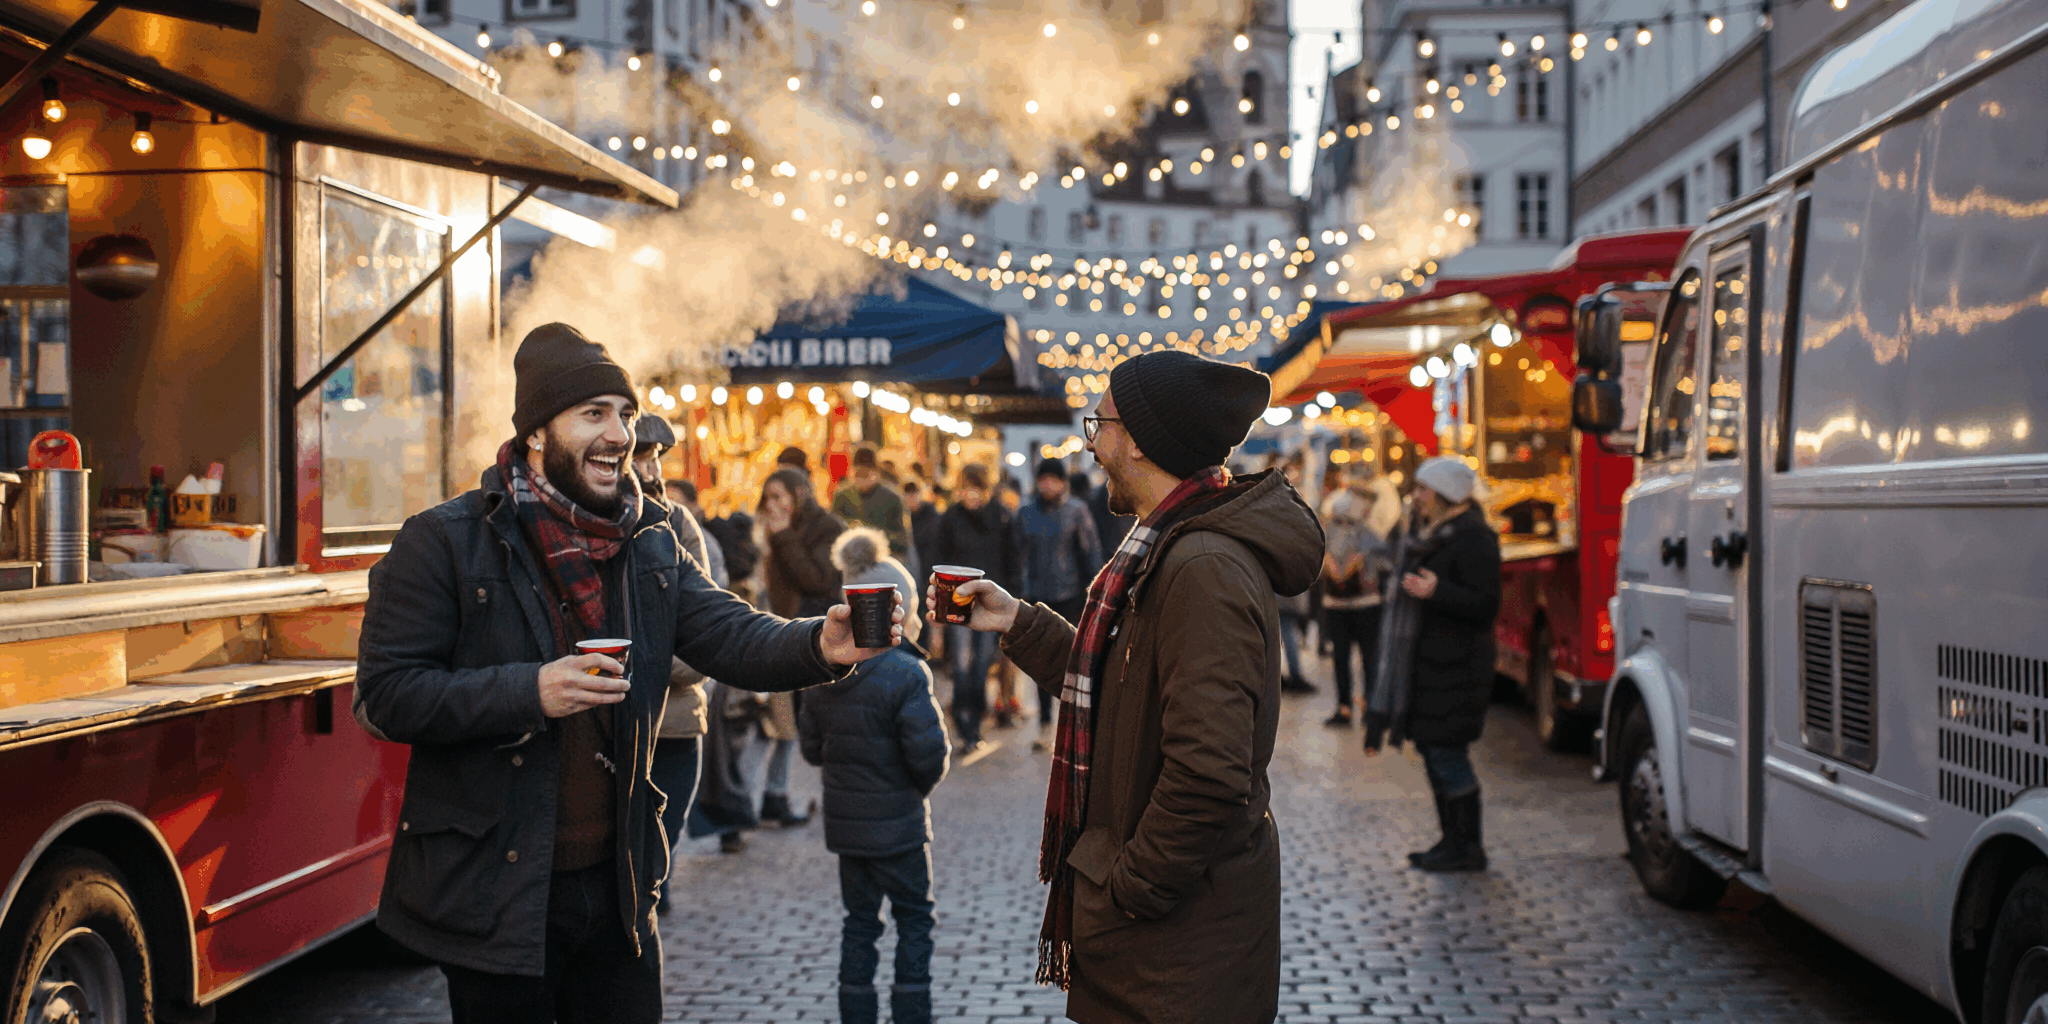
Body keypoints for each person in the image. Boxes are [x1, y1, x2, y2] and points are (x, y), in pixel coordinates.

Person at [354, 323, 898, 1024]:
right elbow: (389, 694)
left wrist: (818, 645)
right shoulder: (445, 541)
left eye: (626, 414)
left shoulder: (647, 538)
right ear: (537, 433)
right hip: (498, 892)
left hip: (617, 888)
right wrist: (532, 690)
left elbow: (728, 633)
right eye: (595, 414)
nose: (620, 436)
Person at [937, 350, 1318, 1024]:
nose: (1093, 447)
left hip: (1176, 952)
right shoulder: (1169, 546)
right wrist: (1020, 621)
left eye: (1100, 426)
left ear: (1138, 439)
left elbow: (1209, 775)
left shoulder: (1201, 565)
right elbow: (1122, 687)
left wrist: (1128, 888)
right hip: (1163, 950)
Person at [803, 530, 947, 1024]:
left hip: (848, 831)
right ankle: (912, 1010)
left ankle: (856, 1011)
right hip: (900, 828)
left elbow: (809, 748)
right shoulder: (907, 674)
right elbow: (930, 755)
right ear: (900, 616)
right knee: (915, 920)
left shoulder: (825, 672)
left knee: (859, 923)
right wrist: (912, 792)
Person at [1364, 456, 1502, 873]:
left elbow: (1486, 605)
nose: (1417, 498)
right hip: (1429, 669)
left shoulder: (1474, 538)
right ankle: (1450, 842)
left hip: (1457, 669)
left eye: (1424, 490)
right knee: (1433, 753)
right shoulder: (1433, 535)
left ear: (1444, 494)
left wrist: (1437, 590)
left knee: (1448, 756)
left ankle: (1468, 848)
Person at [628, 416, 718, 908]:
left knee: (656, 872)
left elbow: (697, 644)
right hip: (614, 731)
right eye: (639, 457)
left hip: (676, 729)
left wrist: (639, 660)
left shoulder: (678, 524)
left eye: (655, 458)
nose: (649, 470)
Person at [757, 466, 844, 827]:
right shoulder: (768, 530)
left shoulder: (827, 528)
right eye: (768, 499)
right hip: (776, 631)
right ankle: (772, 796)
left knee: (820, 719)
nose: (773, 505)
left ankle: (835, 793)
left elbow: (818, 580)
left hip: (816, 637)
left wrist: (782, 538)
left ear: (799, 495)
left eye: (780, 497)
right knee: (782, 721)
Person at [1010, 459, 1104, 727]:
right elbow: (1016, 555)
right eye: (1044, 479)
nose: (1049, 484)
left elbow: (1090, 554)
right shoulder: (1026, 513)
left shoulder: (1077, 511)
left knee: (1073, 659)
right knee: (1041, 659)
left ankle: (1072, 719)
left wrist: (1093, 593)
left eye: (1054, 479)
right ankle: (1045, 718)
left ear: (1063, 482)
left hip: (1071, 595)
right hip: (1036, 595)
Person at [929, 463, 1014, 752]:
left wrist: (1013, 603)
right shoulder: (951, 517)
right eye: (966, 488)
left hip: (990, 603)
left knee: (981, 664)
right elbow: (938, 557)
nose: (970, 495)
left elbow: (1011, 560)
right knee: (962, 664)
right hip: (958, 602)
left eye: (975, 489)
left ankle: (975, 722)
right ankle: (964, 723)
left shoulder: (1001, 516)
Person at [1319, 471, 1391, 728]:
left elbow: (1385, 562)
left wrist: (1359, 561)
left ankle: (1371, 706)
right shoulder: (1327, 527)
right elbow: (1320, 557)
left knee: (1369, 658)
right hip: (1336, 603)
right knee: (1341, 658)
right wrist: (1335, 567)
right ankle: (1344, 706)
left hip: (1366, 603)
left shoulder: (1370, 531)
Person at [832, 446, 912, 563]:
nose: (861, 479)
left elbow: (902, 541)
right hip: (849, 563)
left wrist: (870, 533)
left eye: (865, 474)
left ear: (876, 472)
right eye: (858, 474)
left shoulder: (891, 498)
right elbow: (832, 532)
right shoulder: (842, 496)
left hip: (881, 564)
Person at [902, 478, 942, 585]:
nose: (911, 498)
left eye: (914, 494)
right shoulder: (903, 515)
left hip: (929, 568)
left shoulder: (932, 516)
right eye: (908, 495)